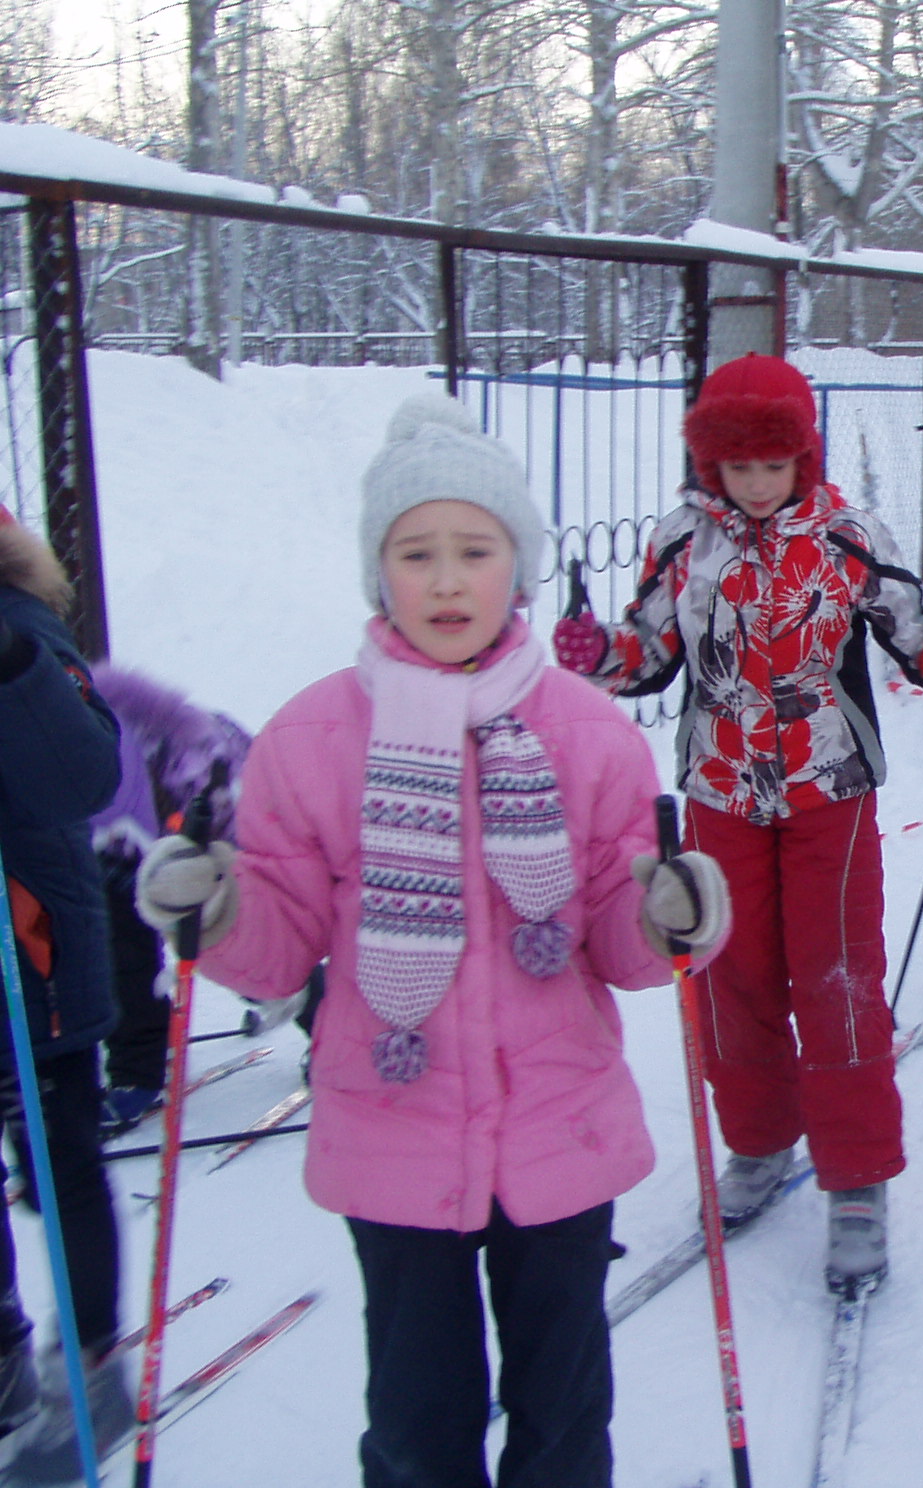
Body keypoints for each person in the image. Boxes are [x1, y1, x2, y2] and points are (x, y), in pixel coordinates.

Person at [134, 396, 725, 1488]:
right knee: (416, 1429)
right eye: (416, 554)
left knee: (562, 1420)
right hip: (392, 1137)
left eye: (474, 550)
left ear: (520, 568)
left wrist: (665, 916)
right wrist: (213, 910)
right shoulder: (312, 740)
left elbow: (621, 944)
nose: (447, 580)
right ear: (379, 574)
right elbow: (277, 949)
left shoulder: (584, 734)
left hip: (561, 1135)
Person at [554, 353, 923, 1295]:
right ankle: (759, 1143)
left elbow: (916, 622)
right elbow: (650, 653)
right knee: (733, 977)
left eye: (773, 465)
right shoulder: (686, 537)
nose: (757, 485)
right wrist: (601, 651)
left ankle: (855, 1176)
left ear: (801, 459)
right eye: (738, 466)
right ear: (709, 463)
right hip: (720, 790)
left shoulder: (845, 531)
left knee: (835, 977)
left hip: (828, 790)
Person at [0, 506, 132, 1481]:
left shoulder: (24, 626)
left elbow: (83, 771)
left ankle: (87, 1365)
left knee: (57, 1156)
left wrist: (13, 668)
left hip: (28, 948)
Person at [87, 664, 253, 1134]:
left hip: (190, 810)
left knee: (233, 932)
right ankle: (136, 1067)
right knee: (121, 943)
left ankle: (315, 1015)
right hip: (129, 827)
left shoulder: (71, 701)